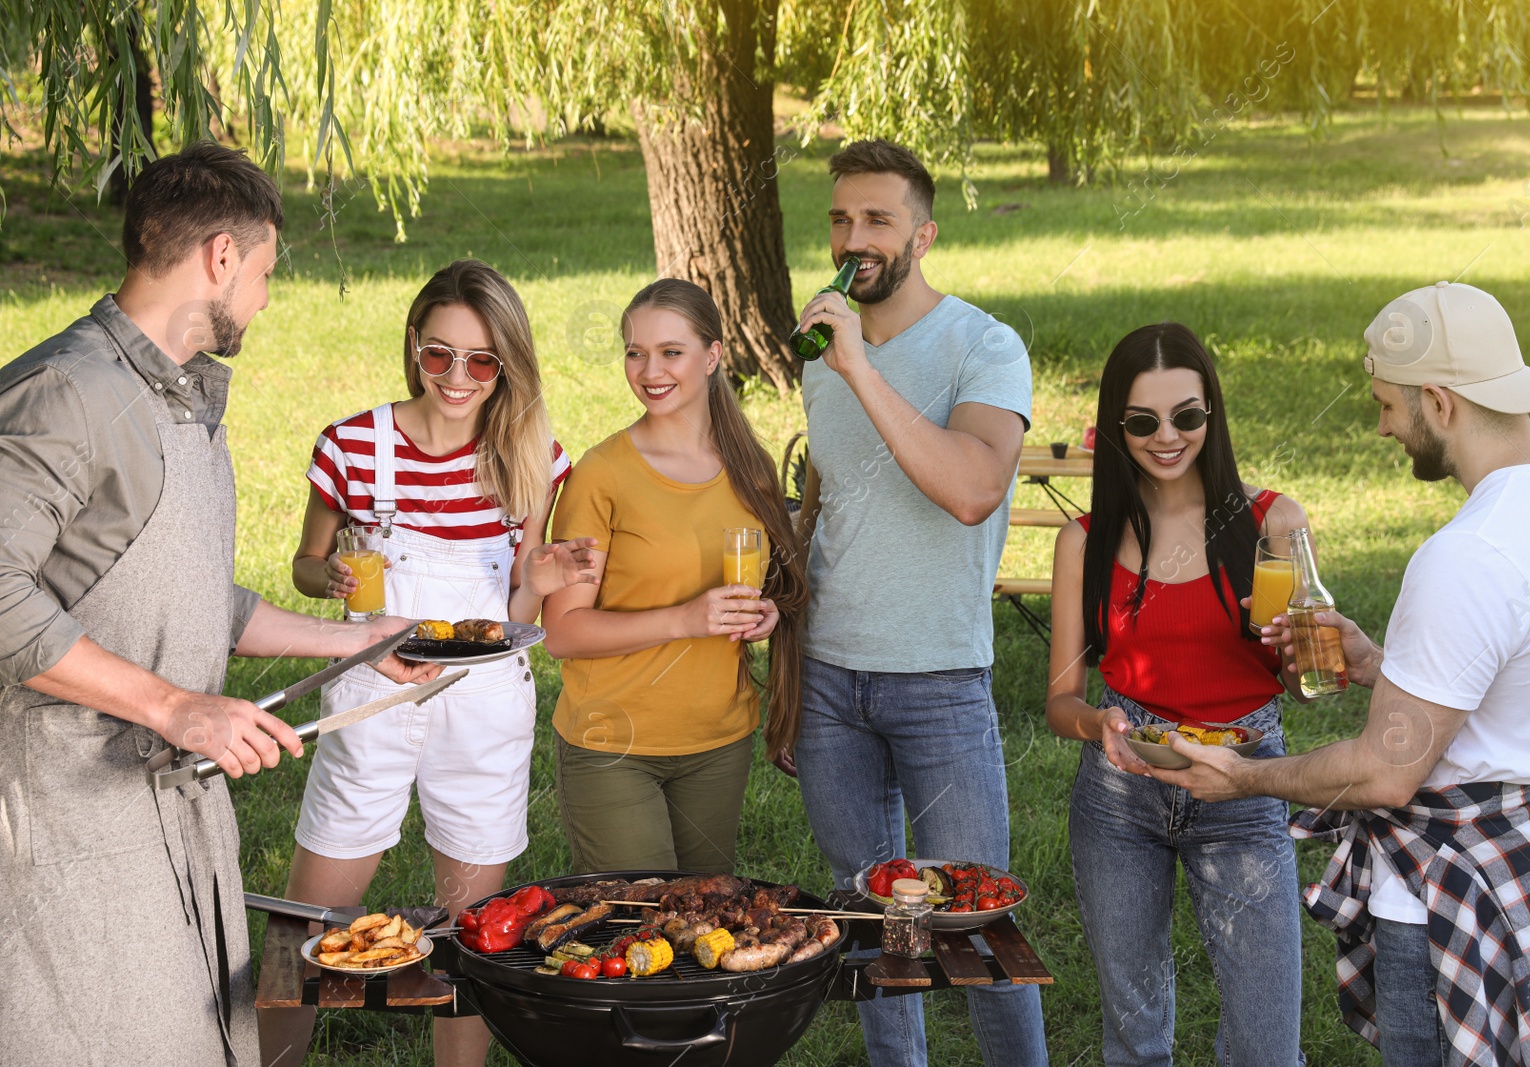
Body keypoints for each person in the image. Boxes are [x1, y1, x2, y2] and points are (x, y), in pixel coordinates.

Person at [0, 142, 439, 1067]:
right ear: (222, 257)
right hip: (68, 817)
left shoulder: (180, 397)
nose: (269, 299)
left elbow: (196, 595)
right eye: (268, 272)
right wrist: (174, 705)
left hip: (170, 805)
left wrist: (357, 643)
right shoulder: (66, 394)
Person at [1154, 281, 1530, 1066]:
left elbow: (1385, 774)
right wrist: (1382, 666)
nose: (1384, 425)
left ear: (1439, 399)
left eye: (1388, 404)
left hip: (1453, 896)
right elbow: (1504, 683)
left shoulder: (1467, 555)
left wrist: (1241, 776)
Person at [260, 259, 596, 1067]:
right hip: (373, 692)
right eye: (438, 353)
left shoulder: (533, 459)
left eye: (481, 361)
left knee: (472, 935)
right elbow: (306, 563)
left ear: (506, 365)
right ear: (414, 345)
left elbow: (515, 613)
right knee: (308, 928)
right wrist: (331, 572)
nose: (457, 376)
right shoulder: (353, 445)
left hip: (481, 706)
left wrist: (542, 582)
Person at [790, 138, 1047, 1067]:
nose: (853, 238)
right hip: (829, 681)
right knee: (874, 926)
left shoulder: (985, 345)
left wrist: (860, 367)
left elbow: (973, 486)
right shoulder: (826, 352)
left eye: (877, 220)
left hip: (937, 677)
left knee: (977, 924)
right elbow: (828, 500)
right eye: (840, 218)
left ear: (924, 234)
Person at [1045, 322, 1310, 1067]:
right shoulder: (1086, 539)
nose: (1167, 437)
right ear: (1116, 425)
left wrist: (1302, 661)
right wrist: (1098, 721)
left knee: (1266, 1045)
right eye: (1143, 421)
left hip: (1245, 780)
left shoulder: (1270, 524)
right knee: (1133, 1038)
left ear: (1212, 415)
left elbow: (1308, 686)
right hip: (1121, 792)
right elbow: (1060, 700)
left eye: (1187, 416)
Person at [542, 278, 804, 874]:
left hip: (719, 740)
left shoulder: (749, 468)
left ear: (712, 356)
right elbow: (562, 631)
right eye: (635, 352)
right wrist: (686, 618)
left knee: (704, 924)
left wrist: (765, 613)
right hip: (614, 742)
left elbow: (764, 590)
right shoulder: (602, 475)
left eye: (670, 352)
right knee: (641, 927)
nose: (649, 370)